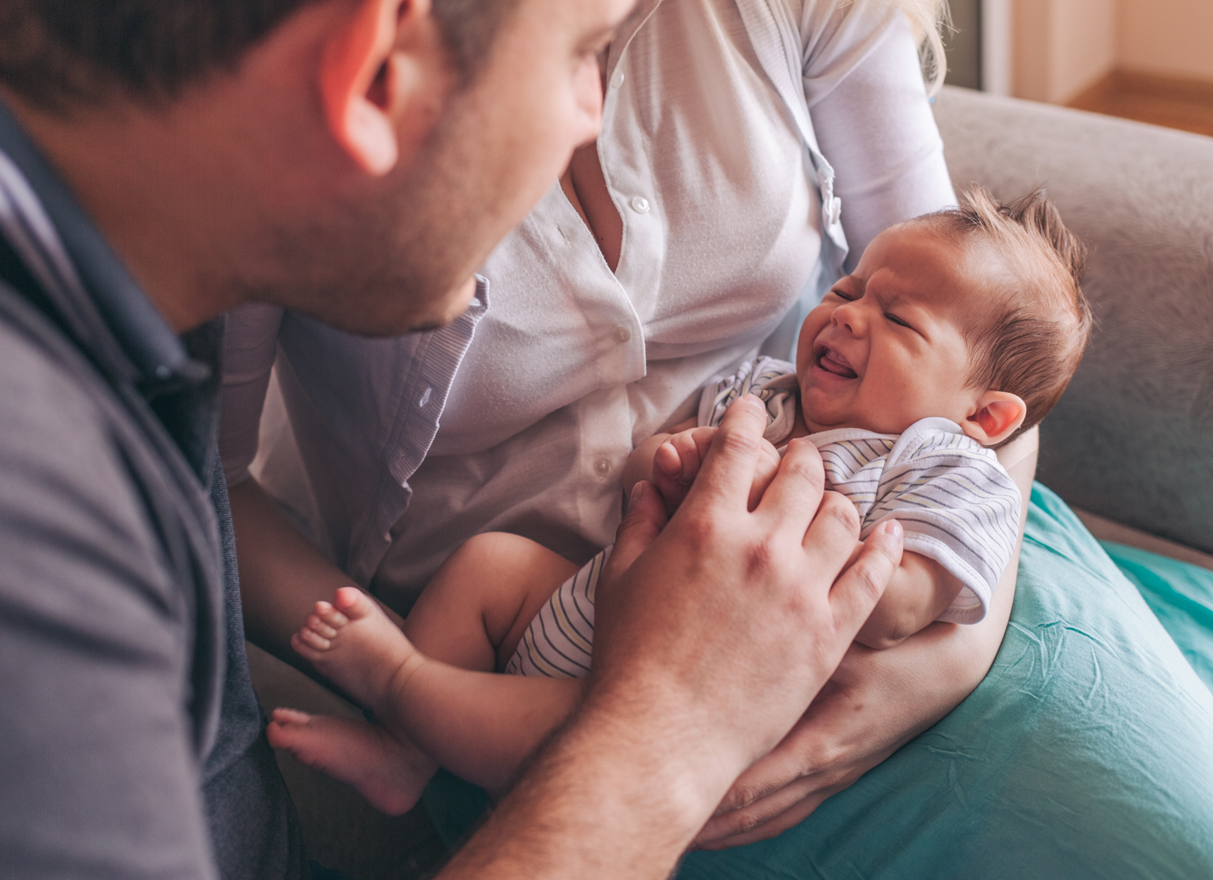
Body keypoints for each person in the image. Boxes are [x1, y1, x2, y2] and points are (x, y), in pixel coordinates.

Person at [0, 0, 904, 878]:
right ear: (375, 72)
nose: (593, 116)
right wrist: (674, 729)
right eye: (582, 54)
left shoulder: (86, 279)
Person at [221, 0, 1015, 847]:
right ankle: (409, 731)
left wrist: (927, 673)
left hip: (793, 627)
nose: (854, 311)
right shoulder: (291, 66)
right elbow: (205, 480)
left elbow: (979, 355)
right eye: (850, 292)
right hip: (519, 624)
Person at [265, 187, 1091, 805]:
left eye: (899, 320)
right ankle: (403, 757)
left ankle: (406, 686)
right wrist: (673, 460)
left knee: (580, 743)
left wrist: (804, 524)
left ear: (984, 415)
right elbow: (641, 475)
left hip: (690, 680)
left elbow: (907, 604)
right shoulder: (764, 394)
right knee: (489, 565)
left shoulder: (941, 463)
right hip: (594, 601)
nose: (846, 317)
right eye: (845, 291)